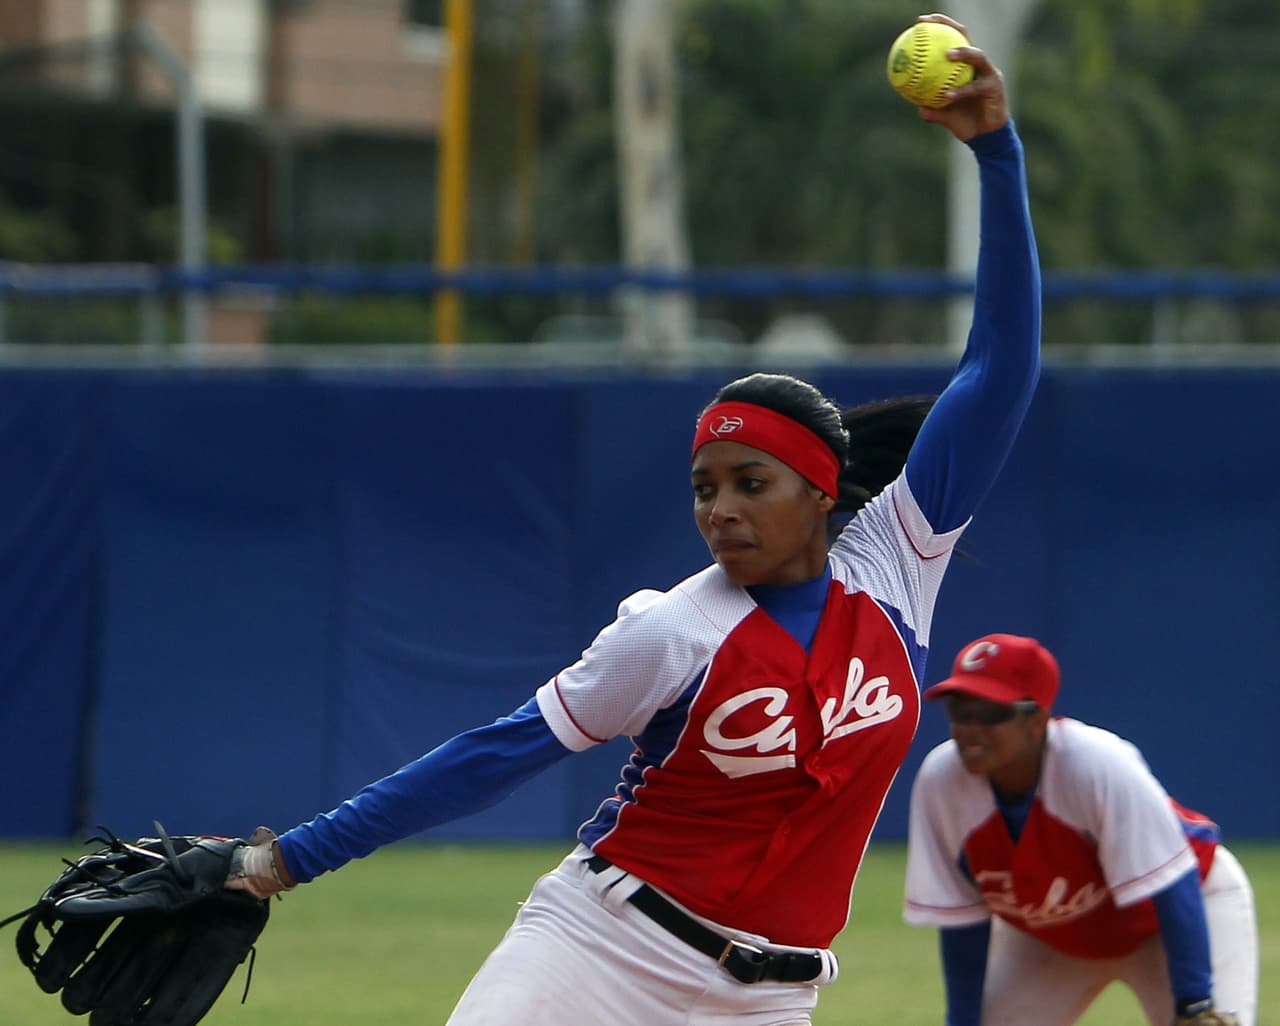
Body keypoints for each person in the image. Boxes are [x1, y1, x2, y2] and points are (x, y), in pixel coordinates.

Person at [225, 14, 1042, 1025]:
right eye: (704, 487)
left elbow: (997, 369)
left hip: (770, 997)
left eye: (751, 483)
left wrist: (995, 153)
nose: (720, 509)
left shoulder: (896, 564)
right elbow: (491, 756)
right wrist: (281, 861)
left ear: (821, 490)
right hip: (596, 949)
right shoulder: (674, 629)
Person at [903, 633, 1259, 1026]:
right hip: (1055, 936)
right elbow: (963, 919)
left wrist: (1194, 1003)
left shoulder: (1096, 764)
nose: (970, 728)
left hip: (1180, 915)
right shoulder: (942, 781)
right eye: (959, 711)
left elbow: (1174, 885)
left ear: (1036, 720)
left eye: (990, 713)